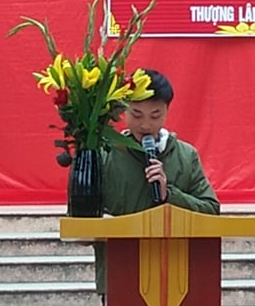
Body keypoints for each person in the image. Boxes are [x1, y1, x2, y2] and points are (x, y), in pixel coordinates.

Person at [93, 69, 219, 291]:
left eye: (155, 116)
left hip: (178, 280)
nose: (145, 125)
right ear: (123, 110)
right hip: (120, 276)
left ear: (167, 112)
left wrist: (169, 195)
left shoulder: (186, 155)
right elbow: (83, 216)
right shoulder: (104, 154)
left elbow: (211, 211)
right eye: (137, 115)